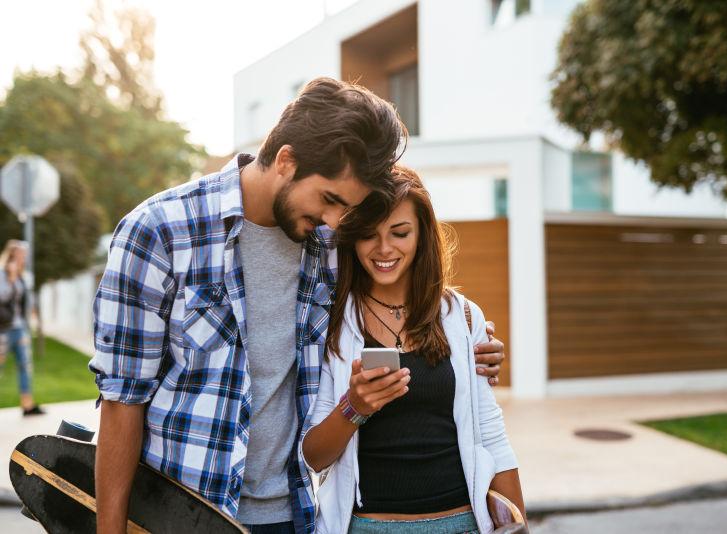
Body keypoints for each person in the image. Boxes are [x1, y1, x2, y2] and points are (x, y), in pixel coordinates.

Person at [90, 77, 507, 534]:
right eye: (330, 199)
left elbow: (402, 296)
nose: (334, 221)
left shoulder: (330, 245)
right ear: (286, 160)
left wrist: (470, 348)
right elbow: (121, 402)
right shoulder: (158, 232)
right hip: (182, 513)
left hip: (294, 515)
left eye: (346, 209)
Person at [302, 166, 524, 534]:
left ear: (422, 234)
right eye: (369, 235)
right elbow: (313, 456)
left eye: (400, 232)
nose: (384, 248)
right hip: (369, 527)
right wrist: (353, 407)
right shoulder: (335, 324)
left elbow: (492, 436)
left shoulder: (463, 316)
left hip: (462, 524)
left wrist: (519, 522)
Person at [0, 240, 44, 416]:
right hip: (3, 329)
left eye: (24, 256)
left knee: (25, 365)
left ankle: (27, 405)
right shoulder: (3, 274)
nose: (23, 258)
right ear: (12, 255)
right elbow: (2, 297)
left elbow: (26, 301)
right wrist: (10, 278)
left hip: (19, 329)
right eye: (20, 255)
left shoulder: (23, 276)